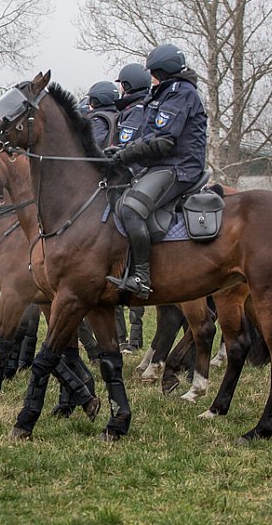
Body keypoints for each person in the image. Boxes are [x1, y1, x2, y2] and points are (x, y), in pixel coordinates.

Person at [106, 44, 207, 300]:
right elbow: (146, 135)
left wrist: (126, 154)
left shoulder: (180, 93)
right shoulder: (162, 94)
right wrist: (119, 149)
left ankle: (141, 276)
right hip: (162, 165)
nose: (150, 77)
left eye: (153, 72)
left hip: (179, 167)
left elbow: (164, 141)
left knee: (131, 209)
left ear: (163, 71)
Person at [114, 62, 153, 351]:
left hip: (137, 179)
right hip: (129, 176)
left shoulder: (137, 113)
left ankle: (141, 272)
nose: (119, 89)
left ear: (127, 86)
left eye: (121, 84)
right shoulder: (128, 111)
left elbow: (131, 151)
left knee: (127, 213)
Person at [85, 80, 120, 148]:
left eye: (91, 100)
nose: (89, 104)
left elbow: (91, 148)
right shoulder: (117, 115)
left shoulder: (98, 120)